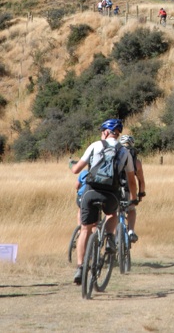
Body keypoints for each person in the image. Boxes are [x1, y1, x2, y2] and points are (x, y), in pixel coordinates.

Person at [70, 119, 137, 286]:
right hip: (111, 195)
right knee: (112, 214)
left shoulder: (95, 145)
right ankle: (108, 237)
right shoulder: (125, 152)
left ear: (106, 132)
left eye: (102, 131)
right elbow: (131, 180)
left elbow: (76, 170)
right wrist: (133, 198)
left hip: (91, 192)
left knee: (85, 229)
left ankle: (80, 267)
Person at [119, 134, 146, 243]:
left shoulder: (115, 156)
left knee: (112, 212)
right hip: (129, 190)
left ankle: (110, 235)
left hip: (115, 188)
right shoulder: (137, 162)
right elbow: (141, 181)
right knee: (131, 210)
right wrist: (140, 194)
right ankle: (131, 231)